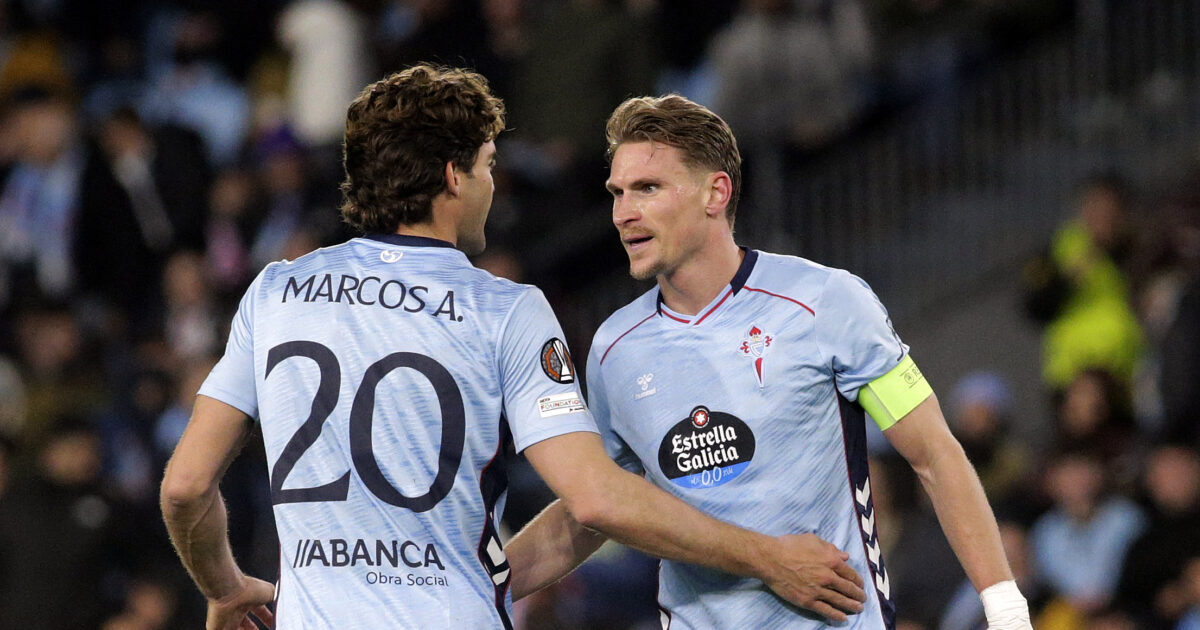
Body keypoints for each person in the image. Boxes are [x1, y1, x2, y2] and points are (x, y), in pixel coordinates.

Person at [159, 65, 868, 630]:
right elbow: (594, 498)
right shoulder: (503, 309)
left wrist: (225, 588)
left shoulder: (277, 291)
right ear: (453, 177)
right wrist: (768, 557)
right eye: (488, 165)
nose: (493, 185)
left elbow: (186, 487)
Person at [507, 94, 1033, 629]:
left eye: (648, 188)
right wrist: (484, 588)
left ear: (716, 192)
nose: (623, 213)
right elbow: (593, 511)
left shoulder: (826, 301)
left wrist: (1006, 609)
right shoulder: (613, 349)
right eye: (617, 193)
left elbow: (934, 455)